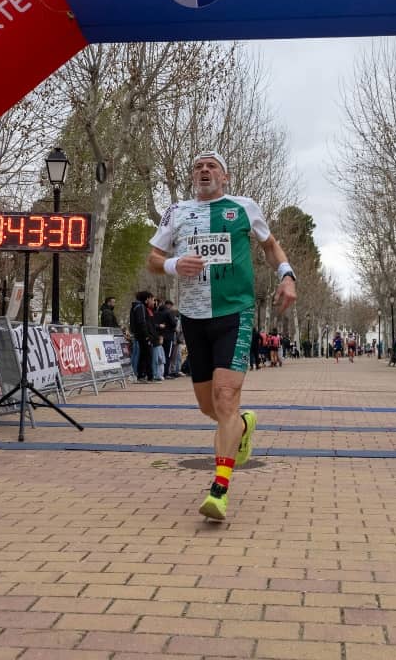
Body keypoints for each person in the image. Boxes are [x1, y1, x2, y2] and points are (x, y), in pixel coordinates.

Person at [146, 150, 296, 521]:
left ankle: (219, 489)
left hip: (235, 312)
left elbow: (270, 245)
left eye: (212, 166)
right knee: (208, 406)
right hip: (194, 317)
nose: (204, 170)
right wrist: (174, 264)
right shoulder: (177, 211)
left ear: (225, 176)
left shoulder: (244, 207)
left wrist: (287, 276)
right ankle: (243, 425)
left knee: (225, 397)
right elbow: (153, 258)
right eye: (198, 166)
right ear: (192, 176)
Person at [128, 291, 156, 382]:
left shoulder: (139, 307)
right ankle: (147, 376)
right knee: (147, 355)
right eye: (152, 299)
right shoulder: (140, 307)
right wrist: (147, 336)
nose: (154, 302)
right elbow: (142, 322)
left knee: (143, 355)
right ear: (147, 299)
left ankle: (142, 376)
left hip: (141, 335)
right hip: (143, 335)